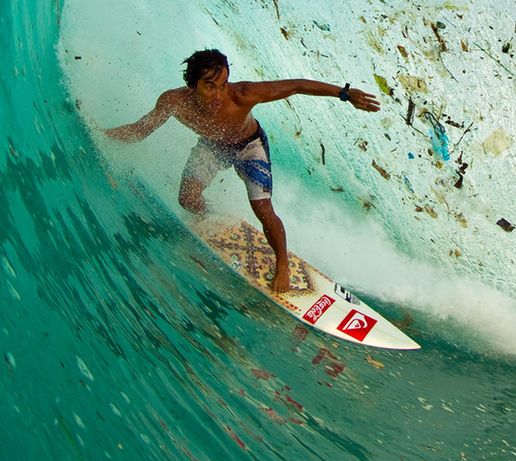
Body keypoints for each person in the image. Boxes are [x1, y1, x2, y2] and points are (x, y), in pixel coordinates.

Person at [102, 49, 380, 293]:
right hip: (213, 146)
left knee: (263, 210)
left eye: (223, 85)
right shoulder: (174, 101)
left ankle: (282, 263)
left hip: (250, 148)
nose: (218, 94)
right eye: (210, 86)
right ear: (192, 84)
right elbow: (141, 129)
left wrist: (345, 94)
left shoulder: (242, 95)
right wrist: (100, 133)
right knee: (187, 199)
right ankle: (213, 217)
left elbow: (296, 85)